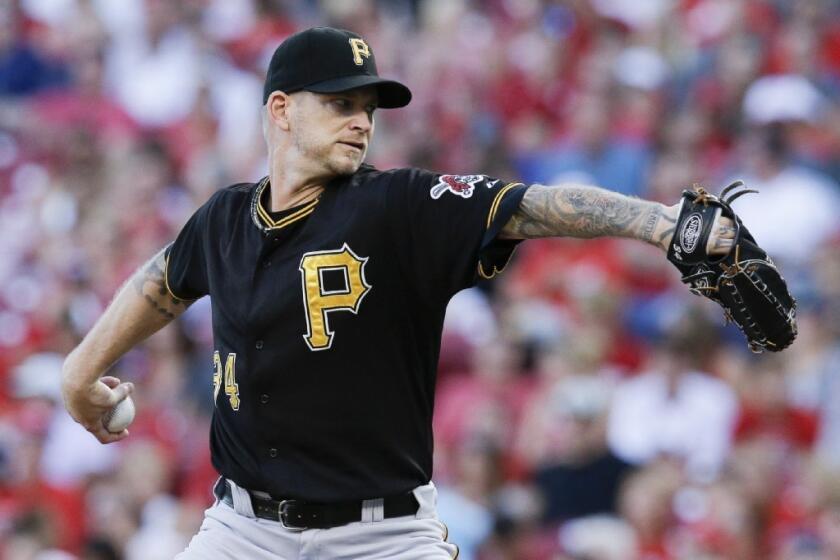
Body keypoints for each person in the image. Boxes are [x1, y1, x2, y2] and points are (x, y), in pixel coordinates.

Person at [61, 27, 736, 559]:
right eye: (341, 104)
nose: (362, 121)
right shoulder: (224, 218)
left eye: (367, 108)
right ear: (281, 109)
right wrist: (81, 371)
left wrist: (658, 223)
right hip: (242, 531)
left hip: (378, 537)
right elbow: (164, 279)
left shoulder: (398, 206)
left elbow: (534, 206)